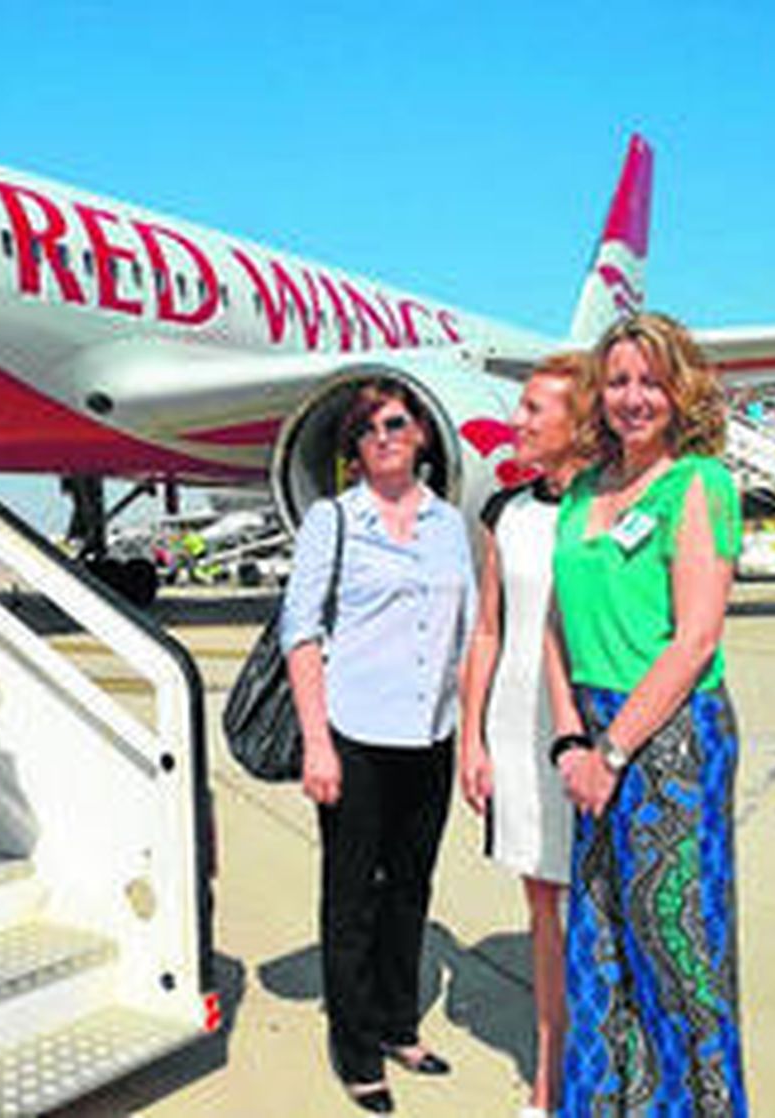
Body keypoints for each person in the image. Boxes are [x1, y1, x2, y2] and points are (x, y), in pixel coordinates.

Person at [544, 311, 747, 1115]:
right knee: (596, 944)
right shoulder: (584, 490)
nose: (633, 398)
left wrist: (614, 752)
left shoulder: (699, 484)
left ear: (681, 388)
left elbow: (695, 638)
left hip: (668, 739)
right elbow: (556, 629)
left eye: (651, 381)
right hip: (592, 734)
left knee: (676, 949)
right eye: (619, 380)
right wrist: (569, 739)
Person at [282, 379, 477, 1114]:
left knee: (411, 890)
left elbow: (468, 634)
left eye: (397, 423)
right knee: (351, 898)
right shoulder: (335, 522)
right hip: (356, 737)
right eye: (367, 430)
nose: (385, 435)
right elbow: (300, 633)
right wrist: (317, 744)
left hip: (430, 736)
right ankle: (356, 1046)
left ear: (423, 433)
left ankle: (398, 1022)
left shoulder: (448, 525)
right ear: (355, 451)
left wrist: (474, 734)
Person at [458, 352, 589, 1118]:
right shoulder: (506, 513)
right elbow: (486, 631)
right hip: (518, 726)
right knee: (542, 903)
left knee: (601, 908)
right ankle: (548, 1077)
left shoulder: (610, 506)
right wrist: (470, 741)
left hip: (591, 727)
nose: (518, 421)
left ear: (579, 422)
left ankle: (607, 1066)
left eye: (536, 410)